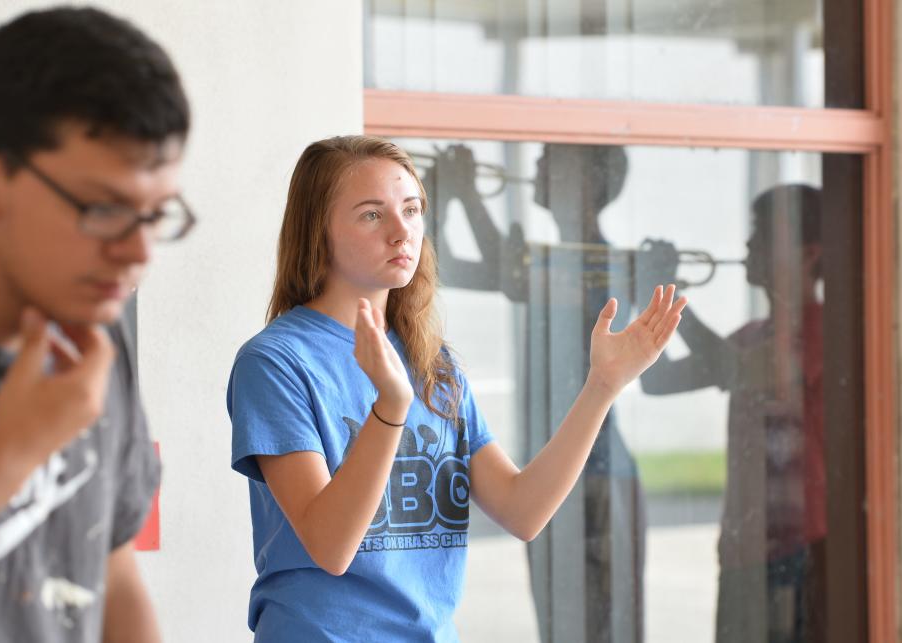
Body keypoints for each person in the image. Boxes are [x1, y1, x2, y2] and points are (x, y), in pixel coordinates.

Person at [227, 135, 686, 642]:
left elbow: (522, 509)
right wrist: (391, 407)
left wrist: (602, 386)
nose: (403, 232)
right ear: (319, 232)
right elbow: (331, 546)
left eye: (411, 209)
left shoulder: (432, 362)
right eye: (371, 215)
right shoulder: (274, 363)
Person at [0, 7, 193, 642]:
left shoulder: (93, 331)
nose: (140, 253)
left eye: (156, 214)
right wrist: (7, 458)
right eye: (104, 208)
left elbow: (113, 571)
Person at [428, 142, 646, 642]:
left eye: (552, 159)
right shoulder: (543, 260)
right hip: (559, 477)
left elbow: (508, 272)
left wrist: (462, 192)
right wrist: (456, 195)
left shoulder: (600, 264)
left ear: (587, 185)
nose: (537, 165)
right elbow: (446, 267)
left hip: (601, 478)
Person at [639, 184, 825, 642]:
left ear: (809, 254)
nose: (748, 245)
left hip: (801, 549)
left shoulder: (822, 330)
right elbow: (656, 380)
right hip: (746, 551)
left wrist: (667, 292)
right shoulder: (752, 335)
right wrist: (644, 300)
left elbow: (733, 368)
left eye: (763, 235)